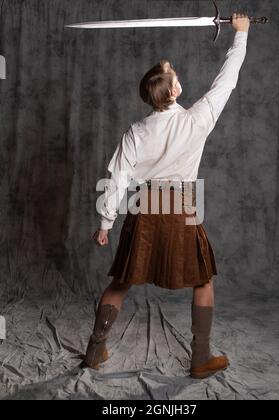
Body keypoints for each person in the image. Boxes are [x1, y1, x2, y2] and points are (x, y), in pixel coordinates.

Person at [81, 13, 250, 379]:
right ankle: (200, 358)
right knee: (203, 281)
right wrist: (242, 35)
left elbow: (118, 179)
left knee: (121, 282)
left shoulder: (136, 131)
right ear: (172, 92)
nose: (178, 77)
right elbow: (226, 81)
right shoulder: (197, 119)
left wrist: (105, 224)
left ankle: (94, 353)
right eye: (175, 76)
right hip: (180, 210)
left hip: (143, 209)